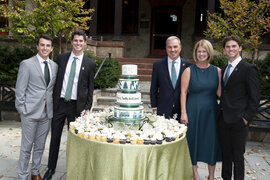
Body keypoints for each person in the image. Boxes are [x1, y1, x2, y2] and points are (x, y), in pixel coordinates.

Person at [43, 29, 96, 180]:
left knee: (74, 140)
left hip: (76, 106)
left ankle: (73, 170)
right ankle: (51, 168)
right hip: (59, 104)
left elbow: (90, 87)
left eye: (81, 41)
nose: (78, 43)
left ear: (85, 43)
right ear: (71, 42)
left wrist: (87, 106)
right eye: (75, 40)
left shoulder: (90, 63)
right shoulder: (61, 58)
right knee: (55, 138)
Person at [15, 35, 58, 180]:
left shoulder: (54, 66)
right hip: (30, 112)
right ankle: (22, 175)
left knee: (40, 146)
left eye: (48, 45)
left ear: (52, 48)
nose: (45, 48)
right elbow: (20, 89)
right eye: (42, 45)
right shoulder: (27, 64)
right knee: (26, 147)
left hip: (47, 113)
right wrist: (22, 109)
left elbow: (50, 89)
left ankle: (35, 172)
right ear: (37, 47)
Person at [218, 35, 260, 180]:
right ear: (224, 50)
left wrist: (246, 118)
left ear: (240, 48)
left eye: (234, 46)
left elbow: (255, 97)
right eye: (228, 46)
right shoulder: (224, 70)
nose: (231, 49)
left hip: (239, 120)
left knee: (238, 156)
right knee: (226, 154)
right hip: (223, 119)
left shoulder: (249, 68)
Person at [180, 39, 222, 180]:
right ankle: (195, 173)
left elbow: (221, 94)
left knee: (211, 142)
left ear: (209, 53)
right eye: (199, 51)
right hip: (193, 111)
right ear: (195, 53)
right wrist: (183, 113)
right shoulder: (188, 70)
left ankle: (211, 175)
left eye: (204, 51)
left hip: (211, 113)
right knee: (193, 141)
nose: (202, 54)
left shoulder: (217, 71)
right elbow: (183, 93)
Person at [150, 36, 192, 120]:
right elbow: (153, 88)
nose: (172, 50)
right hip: (163, 109)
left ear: (180, 48)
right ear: (166, 48)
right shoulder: (158, 65)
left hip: (182, 110)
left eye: (175, 46)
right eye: (169, 47)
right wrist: (154, 106)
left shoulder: (188, 66)